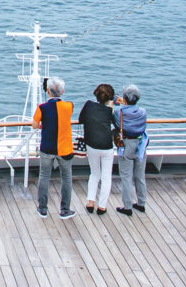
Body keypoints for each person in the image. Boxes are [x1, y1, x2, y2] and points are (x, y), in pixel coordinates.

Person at [32, 76, 76, 219]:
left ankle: (43, 209)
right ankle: (65, 210)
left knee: (44, 177)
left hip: (47, 147)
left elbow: (35, 125)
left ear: (47, 91)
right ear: (62, 92)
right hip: (65, 149)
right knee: (66, 178)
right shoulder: (69, 106)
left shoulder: (42, 108)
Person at [78, 84, 121, 214]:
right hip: (106, 145)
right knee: (106, 176)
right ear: (110, 98)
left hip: (92, 144)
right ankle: (102, 206)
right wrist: (115, 105)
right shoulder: (109, 111)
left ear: (96, 94)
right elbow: (117, 124)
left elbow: (81, 119)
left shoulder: (88, 105)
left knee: (94, 173)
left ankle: (90, 202)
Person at [114, 84, 148, 216]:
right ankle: (141, 203)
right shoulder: (143, 112)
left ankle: (127, 206)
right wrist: (126, 103)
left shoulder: (119, 112)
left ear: (124, 98)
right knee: (140, 176)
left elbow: (116, 122)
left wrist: (121, 104)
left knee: (126, 177)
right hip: (141, 144)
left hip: (127, 144)